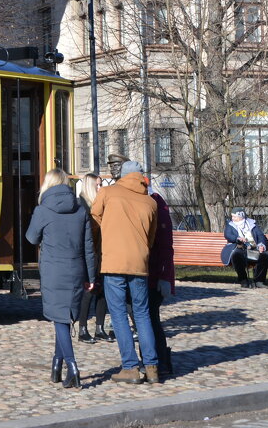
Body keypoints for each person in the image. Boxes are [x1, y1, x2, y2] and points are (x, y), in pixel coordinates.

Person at [91, 158, 161, 384]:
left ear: (121, 174)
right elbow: (150, 238)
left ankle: (130, 367)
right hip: (139, 263)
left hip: (114, 261)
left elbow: (95, 215)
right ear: (141, 177)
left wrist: (110, 229)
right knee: (142, 314)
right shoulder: (150, 202)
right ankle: (152, 367)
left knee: (119, 313)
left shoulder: (109, 193)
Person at [25, 167, 96, 390]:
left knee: (60, 319)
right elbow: (89, 247)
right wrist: (91, 275)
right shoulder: (80, 210)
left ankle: (72, 367)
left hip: (53, 271)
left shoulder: (42, 210)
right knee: (64, 317)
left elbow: (31, 238)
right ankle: (57, 366)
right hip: (76, 269)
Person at [74, 173, 113, 344]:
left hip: (101, 251)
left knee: (102, 290)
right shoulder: (82, 205)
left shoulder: (99, 205)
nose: (100, 188)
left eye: (101, 184)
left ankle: (99, 327)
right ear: (90, 186)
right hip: (88, 254)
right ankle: (82, 328)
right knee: (88, 291)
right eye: (97, 185)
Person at [148, 187, 176, 377]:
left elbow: (165, 246)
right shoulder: (157, 204)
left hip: (153, 273)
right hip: (152, 272)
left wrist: (164, 276)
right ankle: (158, 360)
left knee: (149, 318)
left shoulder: (155, 204)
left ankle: (157, 361)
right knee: (149, 318)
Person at [221, 207, 268, 288]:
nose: (232, 218)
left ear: (241, 216)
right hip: (239, 247)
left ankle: (259, 281)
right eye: (232, 216)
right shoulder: (230, 225)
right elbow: (228, 235)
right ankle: (243, 280)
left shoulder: (252, 224)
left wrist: (261, 245)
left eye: (234, 216)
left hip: (254, 247)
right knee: (236, 256)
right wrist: (238, 238)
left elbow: (260, 235)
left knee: (265, 256)